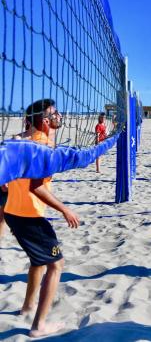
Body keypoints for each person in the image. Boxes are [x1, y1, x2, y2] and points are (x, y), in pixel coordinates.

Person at [3, 99, 80, 337]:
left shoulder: (19, 141)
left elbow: (5, 183)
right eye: (54, 114)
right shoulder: (43, 145)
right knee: (56, 265)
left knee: (38, 261)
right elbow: (36, 187)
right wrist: (64, 209)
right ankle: (38, 326)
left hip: (13, 213)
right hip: (30, 216)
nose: (59, 116)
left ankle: (27, 306)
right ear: (45, 120)